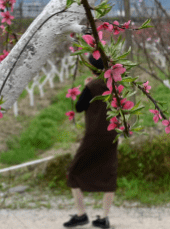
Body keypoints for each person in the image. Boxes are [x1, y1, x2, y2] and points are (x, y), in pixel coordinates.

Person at [64, 56, 117, 229]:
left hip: (94, 135)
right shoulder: (115, 85)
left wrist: (87, 87)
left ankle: (81, 215)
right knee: (109, 174)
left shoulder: (92, 86)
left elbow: (79, 107)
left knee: (73, 172)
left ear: (92, 68)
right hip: (112, 135)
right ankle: (104, 217)